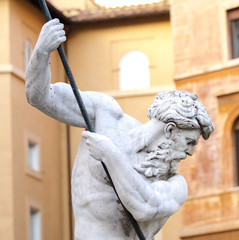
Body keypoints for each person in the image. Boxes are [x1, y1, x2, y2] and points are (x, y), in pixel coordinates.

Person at [25, 19, 214, 240]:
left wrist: (110, 155)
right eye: (189, 142)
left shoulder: (175, 184)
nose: (190, 153)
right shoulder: (105, 114)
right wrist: (41, 51)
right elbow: (41, 97)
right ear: (171, 130)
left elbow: (146, 207)